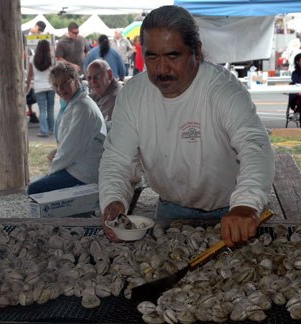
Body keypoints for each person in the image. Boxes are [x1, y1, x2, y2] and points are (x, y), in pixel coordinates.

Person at [98, 5, 275, 248]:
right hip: (170, 209)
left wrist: (246, 205)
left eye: (173, 56)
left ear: (197, 52)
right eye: (152, 57)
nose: (162, 69)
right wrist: (113, 200)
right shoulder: (134, 94)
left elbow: (255, 146)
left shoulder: (222, 90)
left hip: (232, 212)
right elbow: (118, 158)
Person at [27, 62, 107, 195]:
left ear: (76, 81)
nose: (60, 89)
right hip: (79, 165)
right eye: (56, 85)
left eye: (65, 83)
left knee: (35, 190)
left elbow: (70, 148)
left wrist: (51, 171)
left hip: (84, 174)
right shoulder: (75, 103)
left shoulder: (83, 108)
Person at [25, 40, 55, 137]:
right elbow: (54, 74)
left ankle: (43, 130)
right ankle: (51, 129)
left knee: (42, 110)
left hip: (38, 87)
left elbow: (30, 75)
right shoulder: (52, 59)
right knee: (50, 109)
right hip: (51, 86)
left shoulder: (32, 59)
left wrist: (28, 86)